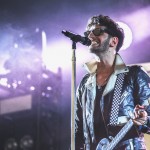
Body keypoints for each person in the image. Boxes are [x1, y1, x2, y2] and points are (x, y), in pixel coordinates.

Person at [75, 14, 150, 150]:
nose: (90, 36)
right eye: (88, 33)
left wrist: (144, 120)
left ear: (113, 41)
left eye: (97, 31)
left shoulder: (134, 75)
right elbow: (78, 131)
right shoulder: (84, 84)